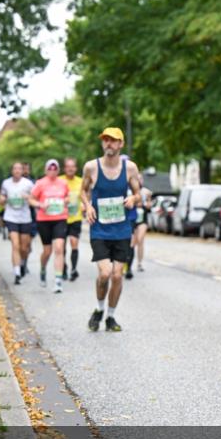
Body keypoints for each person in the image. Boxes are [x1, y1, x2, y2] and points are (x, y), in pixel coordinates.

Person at [80, 127, 142, 332]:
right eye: (105, 140)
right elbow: (83, 190)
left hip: (122, 230)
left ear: (121, 144)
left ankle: (111, 317)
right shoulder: (91, 167)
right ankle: (98, 309)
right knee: (105, 274)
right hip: (99, 230)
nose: (109, 143)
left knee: (117, 276)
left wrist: (133, 198)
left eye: (113, 140)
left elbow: (138, 193)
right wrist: (88, 206)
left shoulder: (130, 168)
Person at [29, 159, 70, 293]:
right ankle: (43, 268)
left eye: (55, 169)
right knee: (47, 251)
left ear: (58, 170)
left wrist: (65, 201)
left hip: (60, 218)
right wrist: (40, 205)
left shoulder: (63, 183)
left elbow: (68, 197)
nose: (52, 171)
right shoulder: (40, 183)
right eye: (50, 169)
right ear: (46, 170)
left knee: (59, 248)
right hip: (44, 220)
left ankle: (58, 280)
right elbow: (31, 199)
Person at [0, 162, 35, 285]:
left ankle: (23, 263)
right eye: (15, 168)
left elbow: (35, 199)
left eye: (19, 169)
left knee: (24, 248)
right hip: (11, 217)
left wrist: (28, 197)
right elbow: (1, 198)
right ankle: (17, 273)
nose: (17, 171)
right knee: (15, 245)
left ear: (22, 171)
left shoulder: (28, 184)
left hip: (25, 218)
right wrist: (2, 200)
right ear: (12, 171)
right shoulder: (6, 183)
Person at [59, 157, 83, 281]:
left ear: (76, 168)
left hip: (75, 218)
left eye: (72, 166)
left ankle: (73, 269)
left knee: (74, 242)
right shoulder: (59, 181)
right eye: (68, 166)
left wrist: (85, 205)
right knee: (61, 246)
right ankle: (63, 268)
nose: (70, 168)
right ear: (64, 168)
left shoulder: (81, 181)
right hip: (61, 218)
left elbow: (85, 197)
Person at [126, 185, 152, 278]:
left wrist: (148, 199)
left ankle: (139, 263)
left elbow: (149, 206)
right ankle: (126, 263)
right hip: (131, 218)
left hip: (141, 219)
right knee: (131, 242)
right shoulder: (126, 188)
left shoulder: (145, 191)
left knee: (139, 240)